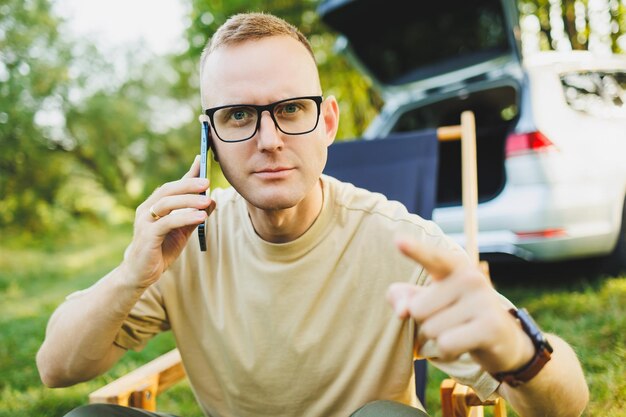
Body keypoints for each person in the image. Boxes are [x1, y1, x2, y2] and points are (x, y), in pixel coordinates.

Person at [37, 12, 589, 417]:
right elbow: (56, 368)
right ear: (209, 138)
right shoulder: (183, 242)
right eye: (237, 116)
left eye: (292, 109)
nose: (269, 140)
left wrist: (521, 349)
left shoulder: (402, 243)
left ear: (327, 123)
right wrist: (134, 273)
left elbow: (568, 404)